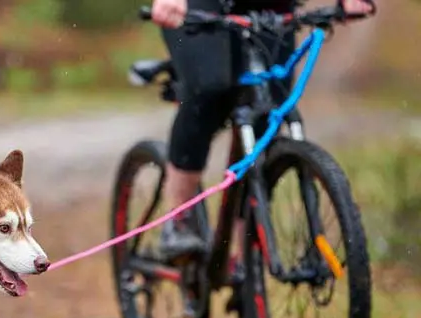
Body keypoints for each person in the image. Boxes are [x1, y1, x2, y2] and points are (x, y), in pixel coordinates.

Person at [149, 0, 376, 265]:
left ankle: (244, 254)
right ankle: (179, 218)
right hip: (197, 4)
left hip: (271, 7)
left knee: (268, 111)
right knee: (207, 91)